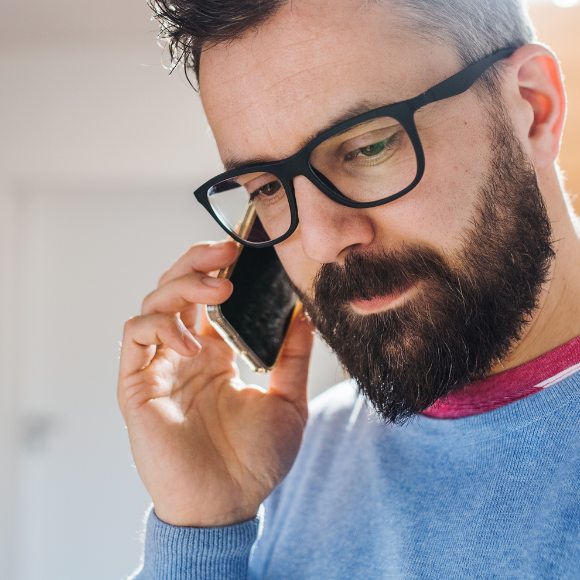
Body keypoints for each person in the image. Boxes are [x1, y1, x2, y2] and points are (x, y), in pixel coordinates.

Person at [118, 0, 580, 577]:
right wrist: (203, 531)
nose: (319, 240)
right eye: (265, 186)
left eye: (367, 147)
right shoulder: (288, 464)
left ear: (533, 108)